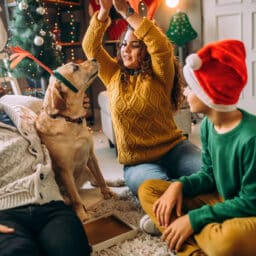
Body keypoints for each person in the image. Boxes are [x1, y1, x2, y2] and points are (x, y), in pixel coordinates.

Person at [138, 39, 256, 255]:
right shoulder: (207, 126)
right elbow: (209, 175)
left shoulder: (251, 137)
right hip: (222, 199)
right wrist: (178, 186)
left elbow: (250, 202)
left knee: (225, 242)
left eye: (191, 87)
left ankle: (177, 229)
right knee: (148, 190)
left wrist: (195, 218)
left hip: (248, 211)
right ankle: (191, 246)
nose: (184, 92)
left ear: (209, 94)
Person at [82, 0, 201, 196]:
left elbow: (160, 44)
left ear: (146, 50)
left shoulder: (160, 74)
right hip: (138, 162)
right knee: (156, 190)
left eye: (135, 45)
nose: (125, 50)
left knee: (213, 175)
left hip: (175, 150)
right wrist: (104, 11)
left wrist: (126, 12)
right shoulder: (112, 73)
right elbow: (90, 47)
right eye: (123, 44)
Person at [0, 94, 92, 256]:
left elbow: (54, 125)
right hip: (5, 212)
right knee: (17, 251)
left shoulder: (21, 111)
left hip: (49, 203)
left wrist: (75, 111)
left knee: (71, 249)